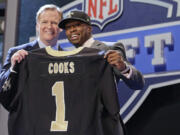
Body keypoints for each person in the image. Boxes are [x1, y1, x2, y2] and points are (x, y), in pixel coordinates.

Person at [58, 10, 145, 90]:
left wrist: (123, 67)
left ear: (89, 29)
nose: (72, 30)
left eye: (77, 25)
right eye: (68, 27)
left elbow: (138, 84)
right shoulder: (69, 57)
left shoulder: (109, 48)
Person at [0, 4, 63, 91]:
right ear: (37, 26)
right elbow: (1, 87)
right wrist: (12, 69)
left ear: (61, 28)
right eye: (44, 22)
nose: (49, 26)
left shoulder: (68, 57)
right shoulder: (15, 53)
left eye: (54, 23)